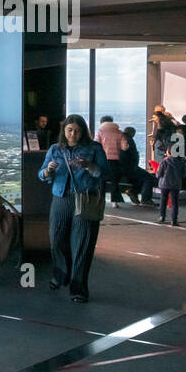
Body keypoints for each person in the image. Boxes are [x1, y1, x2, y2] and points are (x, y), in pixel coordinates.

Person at [38, 114, 107, 303]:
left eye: (77, 131)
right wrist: (47, 171)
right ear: (64, 131)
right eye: (69, 130)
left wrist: (88, 166)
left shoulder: (94, 148)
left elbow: (104, 172)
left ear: (83, 131)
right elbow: (41, 174)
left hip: (85, 199)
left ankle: (79, 288)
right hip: (60, 198)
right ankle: (61, 275)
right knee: (56, 239)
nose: (73, 134)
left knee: (82, 245)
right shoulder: (55, 149)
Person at [96, 116, 129, 205]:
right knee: (114, 181)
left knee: (101, 181)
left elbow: (96, 144)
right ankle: (115, 201)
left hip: (103, 160)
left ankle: (100, 200)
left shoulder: (100, 131)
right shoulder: (119, 132)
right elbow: (125, 147)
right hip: (115, 160)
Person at [157, 143, 186, 226]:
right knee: (174, 202)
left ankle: (162, 217)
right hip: (176, 185)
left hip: (164, 184)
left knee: (163, 201)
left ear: (169, 152)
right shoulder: (181, 162)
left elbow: (159, 174)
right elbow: (184, 174)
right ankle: (174, 220)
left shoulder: (164, 161)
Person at [120, 126, 154, 204]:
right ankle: (146, 199)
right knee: (148, 177)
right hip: (128, 167)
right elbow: (133, 155)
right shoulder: (129, 140)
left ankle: (132, 192)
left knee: (137, 178)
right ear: (132, 134)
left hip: (119, 168)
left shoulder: (118, 139)